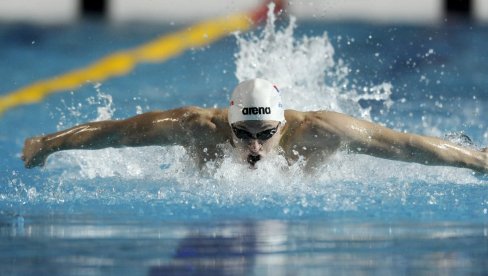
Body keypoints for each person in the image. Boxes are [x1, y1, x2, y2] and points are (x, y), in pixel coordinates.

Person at [22, 78, 488, 173]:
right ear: (226, 123)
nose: (254, 148)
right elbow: (117, 133)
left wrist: (476, 161)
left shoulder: (323, 130)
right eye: (242, 134)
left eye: (266, 134)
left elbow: (404, 145)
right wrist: (46, 143)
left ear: (282, 126)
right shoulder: (195, 126)